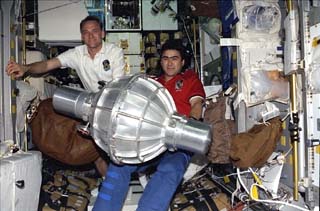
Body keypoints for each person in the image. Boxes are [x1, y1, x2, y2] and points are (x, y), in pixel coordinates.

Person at [93, 39, 205, 211]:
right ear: (161, 61)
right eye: (166, 58)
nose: (169, 62)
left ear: (182, 62)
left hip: (177, 143)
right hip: (148, 143)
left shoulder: (190, 80)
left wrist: (191, 126)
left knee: (171, 168)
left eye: (174, 58)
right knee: (119, 166)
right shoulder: (150, 83)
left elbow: (197, 105)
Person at [6, 15, 126, 176]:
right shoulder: (76, 54)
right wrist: (25, 68)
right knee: (96, 152)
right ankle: (109, 185)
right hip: (93, 106)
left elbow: (117, 86)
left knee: (115, 151)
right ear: (82, 36)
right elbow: (48, 64)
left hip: (115, 105)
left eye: (95, 31)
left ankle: (121, 184)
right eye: (86, 32)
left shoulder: (114, 52)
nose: (91, 35)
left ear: (103, 33)